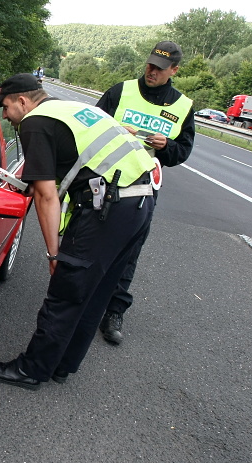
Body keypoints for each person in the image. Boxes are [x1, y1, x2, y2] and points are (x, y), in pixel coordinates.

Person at [0, 73, 156, 390]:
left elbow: (47, 195)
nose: (5, 116)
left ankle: (31, 370)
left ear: (22, 101)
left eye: (5, 107)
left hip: (108, 208)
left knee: (67, 289)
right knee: (97, 292)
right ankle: (62, 364)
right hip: (141, 203)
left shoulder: (35, 121)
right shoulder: (70, 110)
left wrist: (53, 253)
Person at [96, 41, 195, 345]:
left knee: (129, 251)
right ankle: (79, 296)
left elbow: (183, 151)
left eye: (160, 68)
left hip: (143, 190)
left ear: (174, 71)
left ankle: (114, 310)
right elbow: (89, 125)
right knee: (88, 238)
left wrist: (167, 147)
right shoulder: (120, 91)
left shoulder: (182, 106)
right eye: (150, 65)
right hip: (103, 180)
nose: (152, 71)